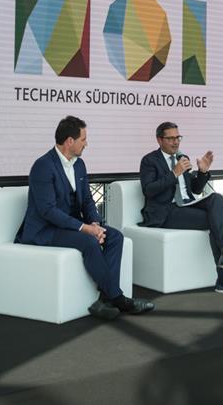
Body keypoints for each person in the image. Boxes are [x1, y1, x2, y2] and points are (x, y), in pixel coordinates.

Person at [15, 115, 154, 320]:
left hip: (70, 226)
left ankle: (104, 300)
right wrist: (85, 228)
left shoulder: (79, 164)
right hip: (45, 230)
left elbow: (87, 200)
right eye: (83, 139)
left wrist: (94, 223)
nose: (86, 144)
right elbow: (47, 211)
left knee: (115, 237)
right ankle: (118, 299)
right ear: (70, 141)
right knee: (89, 241)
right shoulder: (42, 166)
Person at [138, 122, 223, 296]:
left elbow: (194, 189)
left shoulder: (182, 158)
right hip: (166, 211)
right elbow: (149, 190)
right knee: (214, 220)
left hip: (187, 204)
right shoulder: (149, 161)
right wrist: (174, 173)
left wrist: (203, 172)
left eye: (178, 137)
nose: (175, 142)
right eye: (170, 138)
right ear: (159, 140)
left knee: (216, 198)